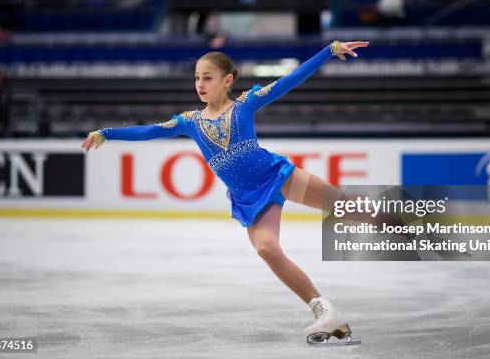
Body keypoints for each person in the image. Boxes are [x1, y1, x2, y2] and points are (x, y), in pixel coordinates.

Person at [81, 40, 369, 345]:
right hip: (249, 198)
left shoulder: (246, 103)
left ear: (226, 80)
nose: (200, 84)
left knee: (350, 207)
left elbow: (290, 80)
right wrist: (106, 133)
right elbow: (150, 130)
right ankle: (325, 312)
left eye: (207, 77)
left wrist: (328, 52)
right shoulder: (189, 122)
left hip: (278, 177)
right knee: (267, 249)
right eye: (196, 78)